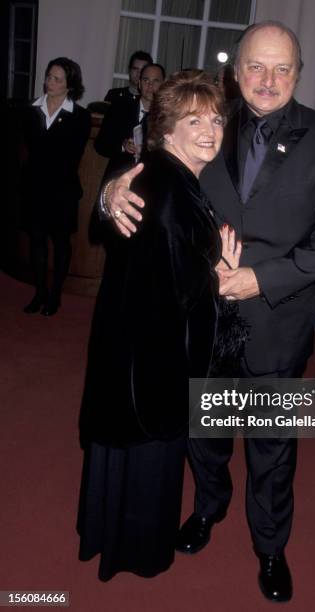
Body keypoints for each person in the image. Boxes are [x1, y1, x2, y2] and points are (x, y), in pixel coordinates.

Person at [101, 21, 315, 602]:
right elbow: (150, 171)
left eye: (282, 68)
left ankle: (269, 545)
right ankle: (208, 508)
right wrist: (109, 190)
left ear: (297, 73)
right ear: (235, 72)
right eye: (256, 67)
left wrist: (260, 279)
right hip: (202, 321)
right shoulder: (208, 123)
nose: (268, 80)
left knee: (270, 446)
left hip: (275, 320)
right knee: (206, 431)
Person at [78, 70, 243, 581]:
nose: (210, 129)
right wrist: (223, 277)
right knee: (149, 464)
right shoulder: (168, 186)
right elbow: (177, 289)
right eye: (194, 119)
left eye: (215, 118)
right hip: (155, 364)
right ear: (166, 127)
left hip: (130, 352)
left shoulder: (163, 175)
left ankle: (108, 534)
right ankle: (136, 550)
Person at [21, 57, 91, 316]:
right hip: (34, 187)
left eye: (57, 78)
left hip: (62, 190)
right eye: (49, 76)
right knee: (36, 240)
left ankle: (55, 295)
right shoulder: (31, 110)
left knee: (61, 243)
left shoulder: (80, 116)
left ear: (70, 85)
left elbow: (71, 154)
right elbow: (31, 146)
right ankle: (39, 291)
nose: (50, 82)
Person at [95, 63, 165, 177]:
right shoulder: (120, 108)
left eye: (156, 81)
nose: (150, 85)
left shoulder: (166, 116)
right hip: (118, 178)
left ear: (163, 85)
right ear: (139, 83)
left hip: (150, 181)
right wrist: (123, 146)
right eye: (146, 80)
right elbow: (100, 145)